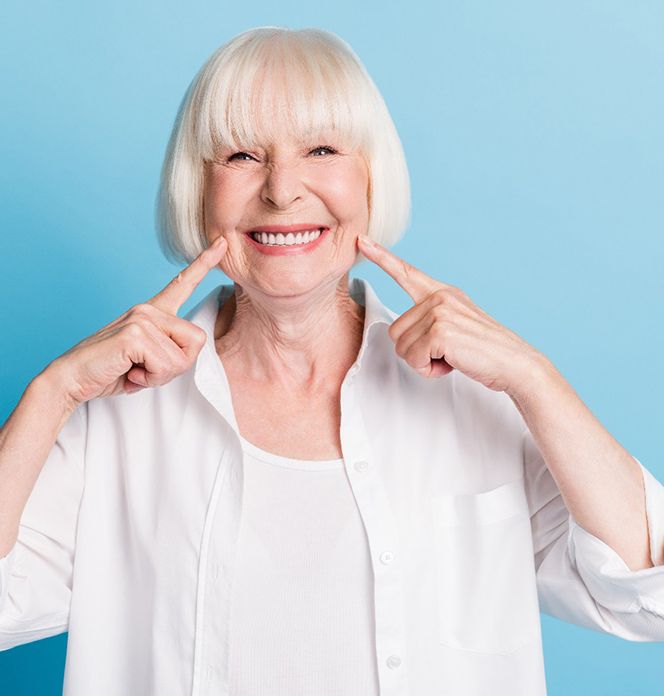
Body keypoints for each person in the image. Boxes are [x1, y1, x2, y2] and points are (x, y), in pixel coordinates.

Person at [1, 25, 663, 696]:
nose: (283, 190)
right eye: (240, 155)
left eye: (321, 148)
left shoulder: (477, 402)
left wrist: (535, 378)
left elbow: (650, 593)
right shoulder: (114, 423)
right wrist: (49, 393)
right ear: (196, 189)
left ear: (371, 179)